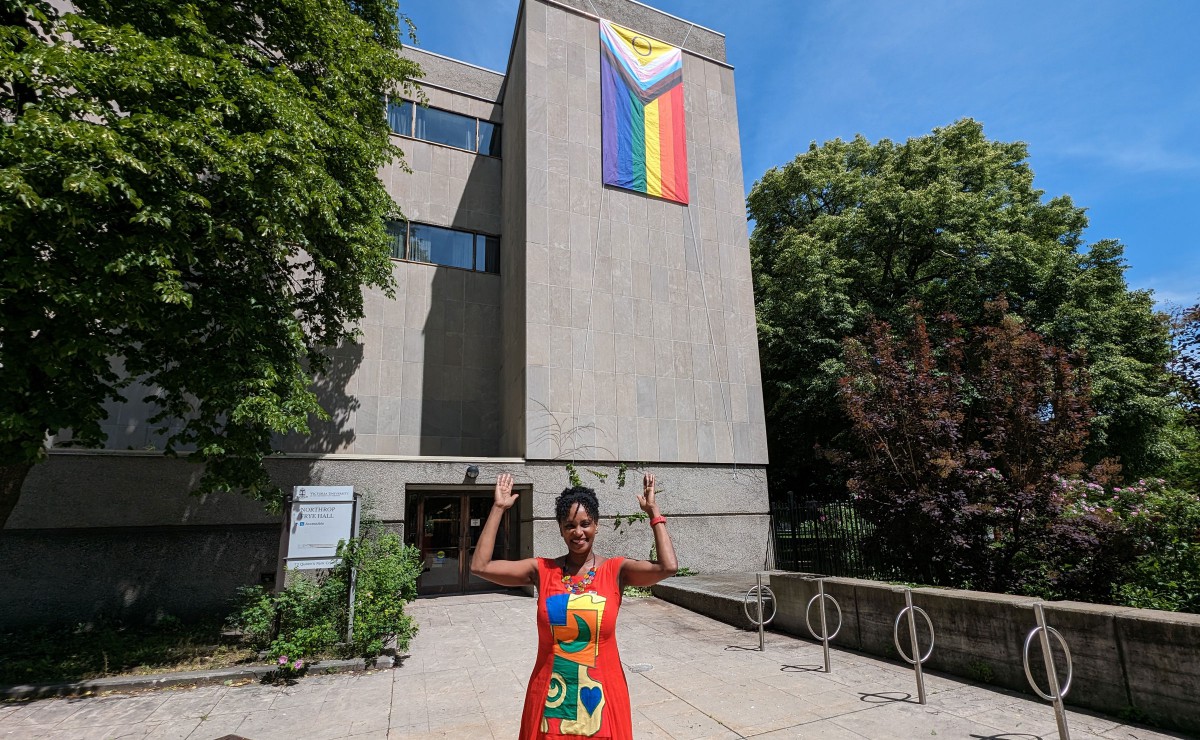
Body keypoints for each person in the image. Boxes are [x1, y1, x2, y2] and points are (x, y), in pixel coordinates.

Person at [470, 471, 677, 739]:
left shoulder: (616, 570)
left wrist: (654, 512)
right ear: (560, 529)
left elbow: (668, 566)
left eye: (585, 523)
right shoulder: (542, 569)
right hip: (551, 696)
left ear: (597, 525)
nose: (578, 532)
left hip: (602, 698)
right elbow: (480, 566)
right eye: (569, 525)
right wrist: (498, 508)